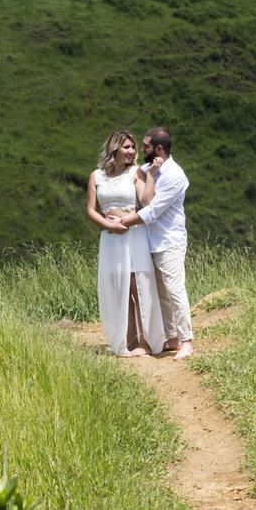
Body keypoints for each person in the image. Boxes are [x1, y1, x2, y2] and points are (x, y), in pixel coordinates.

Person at [86, 130, 166, 357]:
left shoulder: (137, 172)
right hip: (110, 238)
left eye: (133, 147)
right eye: (127, 147)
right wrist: (107, 225)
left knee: (136, 287)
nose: (132, 152)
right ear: (114, 149)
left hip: (133, 235)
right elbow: (91, 210)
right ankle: (128, 341)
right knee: (118, 287)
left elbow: (146, 202)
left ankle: (146, 342)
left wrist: (151, 174)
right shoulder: (96, 176)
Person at [120, 127, 194, 360]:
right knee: (161, 293)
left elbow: (152, 210)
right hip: (150, 242)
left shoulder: (175, 175)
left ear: (159, 149)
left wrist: (122, 222)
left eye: (146, 146)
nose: (141, 149)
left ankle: (187, 341)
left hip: (170, 241)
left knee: (175, 291)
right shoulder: (146, 169)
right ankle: (171, 337)